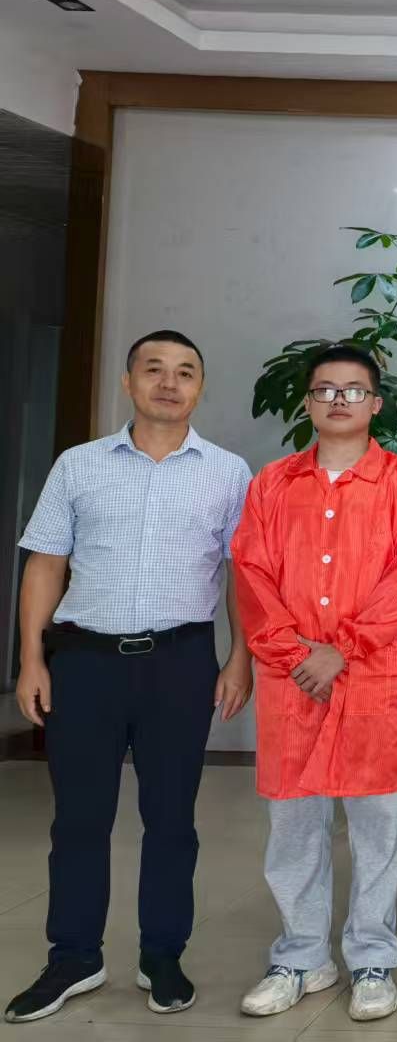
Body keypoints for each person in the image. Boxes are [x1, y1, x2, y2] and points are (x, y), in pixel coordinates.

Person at [5, 331, 253, 1024]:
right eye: (154, 369)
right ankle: (74, 956)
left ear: (200, 387)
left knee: (171, 819)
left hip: (180, 662)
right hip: (84, 663)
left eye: (185, 372)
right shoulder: (79, 465)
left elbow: (242, 573)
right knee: (79, 818)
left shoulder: (228, 472)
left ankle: (162, 954)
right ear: (128, 382)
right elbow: (45, 562)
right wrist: (31, 658)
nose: (169, 383)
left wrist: (240, 656)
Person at [230, 344, 397, 1024]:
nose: (339, 400)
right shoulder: (273, 484)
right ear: (308, 402)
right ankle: (301, 955)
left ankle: (372, 958)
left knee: (378, 827)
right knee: (295, 824)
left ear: (375, 403)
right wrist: (298, 654)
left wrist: (342, 650)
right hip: (292, 681)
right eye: (325, 389)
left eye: (353, 390)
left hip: (371, 678)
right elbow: (251, 574)